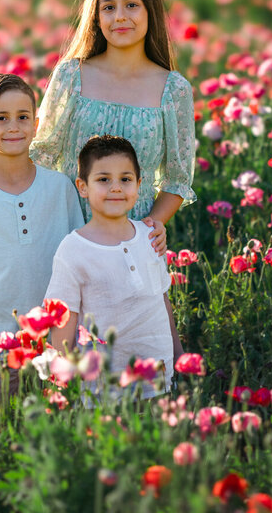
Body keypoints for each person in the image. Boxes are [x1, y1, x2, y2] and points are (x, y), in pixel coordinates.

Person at [0, 0, 196, 248]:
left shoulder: (174, 89)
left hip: (132, 242)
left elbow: (176, 180)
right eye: (108, 7)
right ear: (96, 16)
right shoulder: (71, 75)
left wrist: (151, 226)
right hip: (63, 235)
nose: (119, 16)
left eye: (131, 5)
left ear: (150, 11)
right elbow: (39, 151)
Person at [0, 73, 84, 418]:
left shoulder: (60, 188)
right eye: (1, 118)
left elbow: (80, 265)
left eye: (23, 117)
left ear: (36, 124)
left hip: (54, 340)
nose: (14, 127)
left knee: (54, 425)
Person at [45, 136, 183, 400]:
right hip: (104, 389)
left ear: (139, 185)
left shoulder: (150, 236)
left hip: (157, 379)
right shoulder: (73, 248)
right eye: (104, 179)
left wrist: (178, 356)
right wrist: (65, 383)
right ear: (82, 187)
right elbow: (64, 318)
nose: (116, 187)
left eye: (125, 179)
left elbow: (161, 301)